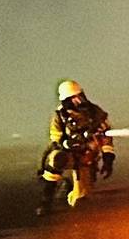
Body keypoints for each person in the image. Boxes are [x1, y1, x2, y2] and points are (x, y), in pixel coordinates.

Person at [38, 78, 114, 212]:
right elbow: (55, 138)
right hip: (69, 155)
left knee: (81, 201)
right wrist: (66, 144)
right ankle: (46, 200)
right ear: (66, 101)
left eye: (79, 96)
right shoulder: (60, 116)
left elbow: (106, 136)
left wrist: (108, 157)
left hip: (87, 158)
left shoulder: (95, 112)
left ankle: (68, 192)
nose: (78, 101)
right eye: (73, 98)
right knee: (57, 158)